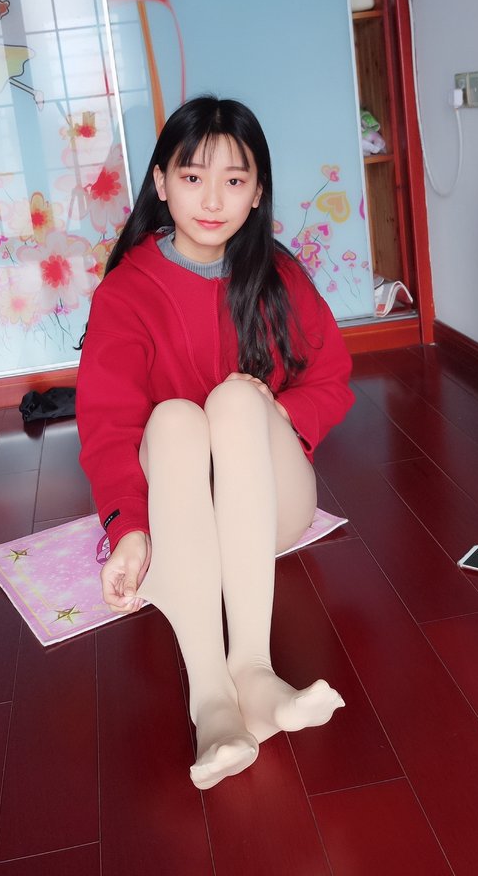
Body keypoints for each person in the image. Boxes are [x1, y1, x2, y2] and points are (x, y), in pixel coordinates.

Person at [76, 95, 353, 790]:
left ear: (257, 193)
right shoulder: (126, 292)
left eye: (234, 180)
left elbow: (331, 376)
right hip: (182, 521)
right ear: (160, 182)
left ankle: (254, 670)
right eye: (193, 177)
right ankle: (213, 700)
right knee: (173, 418)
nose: (211, 200)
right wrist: (128, 531)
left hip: (266, 508)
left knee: (235, 398)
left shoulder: (279, 276)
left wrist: (271, 411)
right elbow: (108, 426)